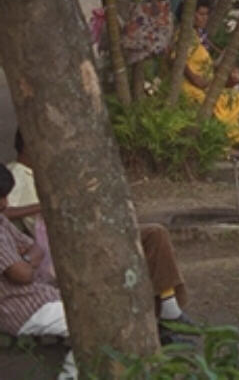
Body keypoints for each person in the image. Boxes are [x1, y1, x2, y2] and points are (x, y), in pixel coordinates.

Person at [7, 134, 194, 336]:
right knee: (150, 237)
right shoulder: (16, 174)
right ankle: (167, 312)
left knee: (154, 235)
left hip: (86, 231)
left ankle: (169, 306)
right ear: (27, 146)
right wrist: (44, 206)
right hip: (67, 244)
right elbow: (5, 212)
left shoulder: (43, 174)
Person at [0, 164, 74, 378]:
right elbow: (21, 275)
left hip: (41, 299)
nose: (5, 203)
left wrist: (22, 260)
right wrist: (24, 262)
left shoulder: (2, 221)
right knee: (94, 324)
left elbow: (36, 247)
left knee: (97, 316)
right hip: (19, 310)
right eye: (1, 196)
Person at [178, 0, 239, 151]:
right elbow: (178, 60)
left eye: (206, 14)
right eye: (201, 14)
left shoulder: (198, 35)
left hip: (205, 82)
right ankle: (230, 139)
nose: (204, 18)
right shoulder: (183, 36)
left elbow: (204, 62)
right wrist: (196, 79)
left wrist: (221, 63)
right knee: (231, 99)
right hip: (191, 87)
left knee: (238, 95)